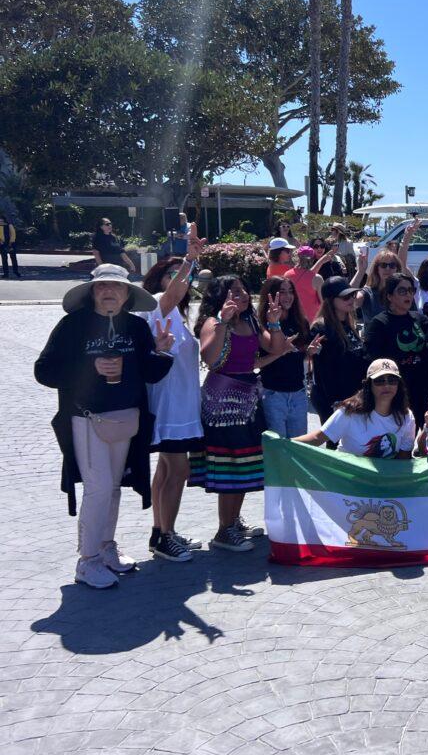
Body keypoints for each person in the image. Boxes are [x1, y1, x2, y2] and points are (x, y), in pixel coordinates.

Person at [35, 265, 175, 588]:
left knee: (112, 486)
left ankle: (105, 547)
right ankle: (88, 560)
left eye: (117, 287)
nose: (109, 292)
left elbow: (149, 373)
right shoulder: (72, 327)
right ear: (92, 292)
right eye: (102, 287)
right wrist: (90, 366)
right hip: (86, 417)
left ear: (127, 295)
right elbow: (44, 371)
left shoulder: (137, 328)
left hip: (125, 417)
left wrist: (163, 352)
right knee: (98, 488)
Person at [191, 275, 285, 552]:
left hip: (248, 399)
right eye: (235, 291)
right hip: (223, 403)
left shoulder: (251, 322)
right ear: (221, 296)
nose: (243, 295)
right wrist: (221, 319)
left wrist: (275, 321)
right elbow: (209, 357)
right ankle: (224, 530)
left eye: (244, 290)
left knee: (245, 464)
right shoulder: (213, 322)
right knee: (229, 465)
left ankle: (232, 522)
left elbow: (276, 347)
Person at [135, 238, 206, 562]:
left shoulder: (177, 315)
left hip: (181, 407)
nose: (182, 279)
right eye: (173, 274)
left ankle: (160, 531)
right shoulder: (158, 304)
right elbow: (176, 291)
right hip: (169, 409)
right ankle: (165, 537)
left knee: (165, 470)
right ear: (160, 280)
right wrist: (190, 261)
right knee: (178, 471)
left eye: (185, 274)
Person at [296, 359, 416, 457]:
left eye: (392, 380)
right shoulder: (349, 412)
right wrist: (282, 443)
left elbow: (403, 460)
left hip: (382, 483)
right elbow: (317, 438)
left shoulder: (406, 416)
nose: (386, 385)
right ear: (369, 385)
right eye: (379, 381)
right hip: (348, 480)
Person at [363, 273, 428, 420]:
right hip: (394, 390)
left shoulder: (420, 319)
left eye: (411, 290)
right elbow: (372, 359)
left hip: (421, 388)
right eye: (402, 291)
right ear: (389, 296)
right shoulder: (379, 323)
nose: (408, 294)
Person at [255, 276, 311, 440]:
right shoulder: (262, 324)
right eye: (282, 292)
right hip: (274, 394)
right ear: (270, 296)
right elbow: (264, 357)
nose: (288, 297)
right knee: (278, 450)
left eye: (290, 292)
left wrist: (310, 351)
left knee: (299, 448)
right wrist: (275, 325)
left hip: (298, 394)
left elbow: (300, 354)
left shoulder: (301, 321)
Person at [308, 277, 369, 427]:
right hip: (334, 400)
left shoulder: (348, 324)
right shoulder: (321, 328)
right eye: (345, 296)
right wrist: (335, 402)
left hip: (353, 397)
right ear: (330, 300)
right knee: (335, 446)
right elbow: (324, 371)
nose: (351, 299)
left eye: (353, 295)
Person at [284, 244, 337, 322]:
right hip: (312, 320)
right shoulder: (317, 278)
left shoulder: (287, 274)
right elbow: (324, 302)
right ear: (312, 259)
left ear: (298, 257)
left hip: (293, 318)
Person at [355, 249, 402, 324]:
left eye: (392, 265)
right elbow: (347, 299)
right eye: (383, 265)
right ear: (377, 269)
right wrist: (360, 271)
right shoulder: (367, 293)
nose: (387, 268)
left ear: (397, 269)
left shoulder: (404, 292)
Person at [0, 213, 21, 279]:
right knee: (4, 259)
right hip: (2, 244)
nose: (1, 222)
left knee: (13, 258)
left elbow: (13, 234)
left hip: (10, 243)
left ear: (4, 220)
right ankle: (6, 273)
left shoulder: (9, 225)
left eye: (2, 221)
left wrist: (11, 242)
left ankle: (16, 271)